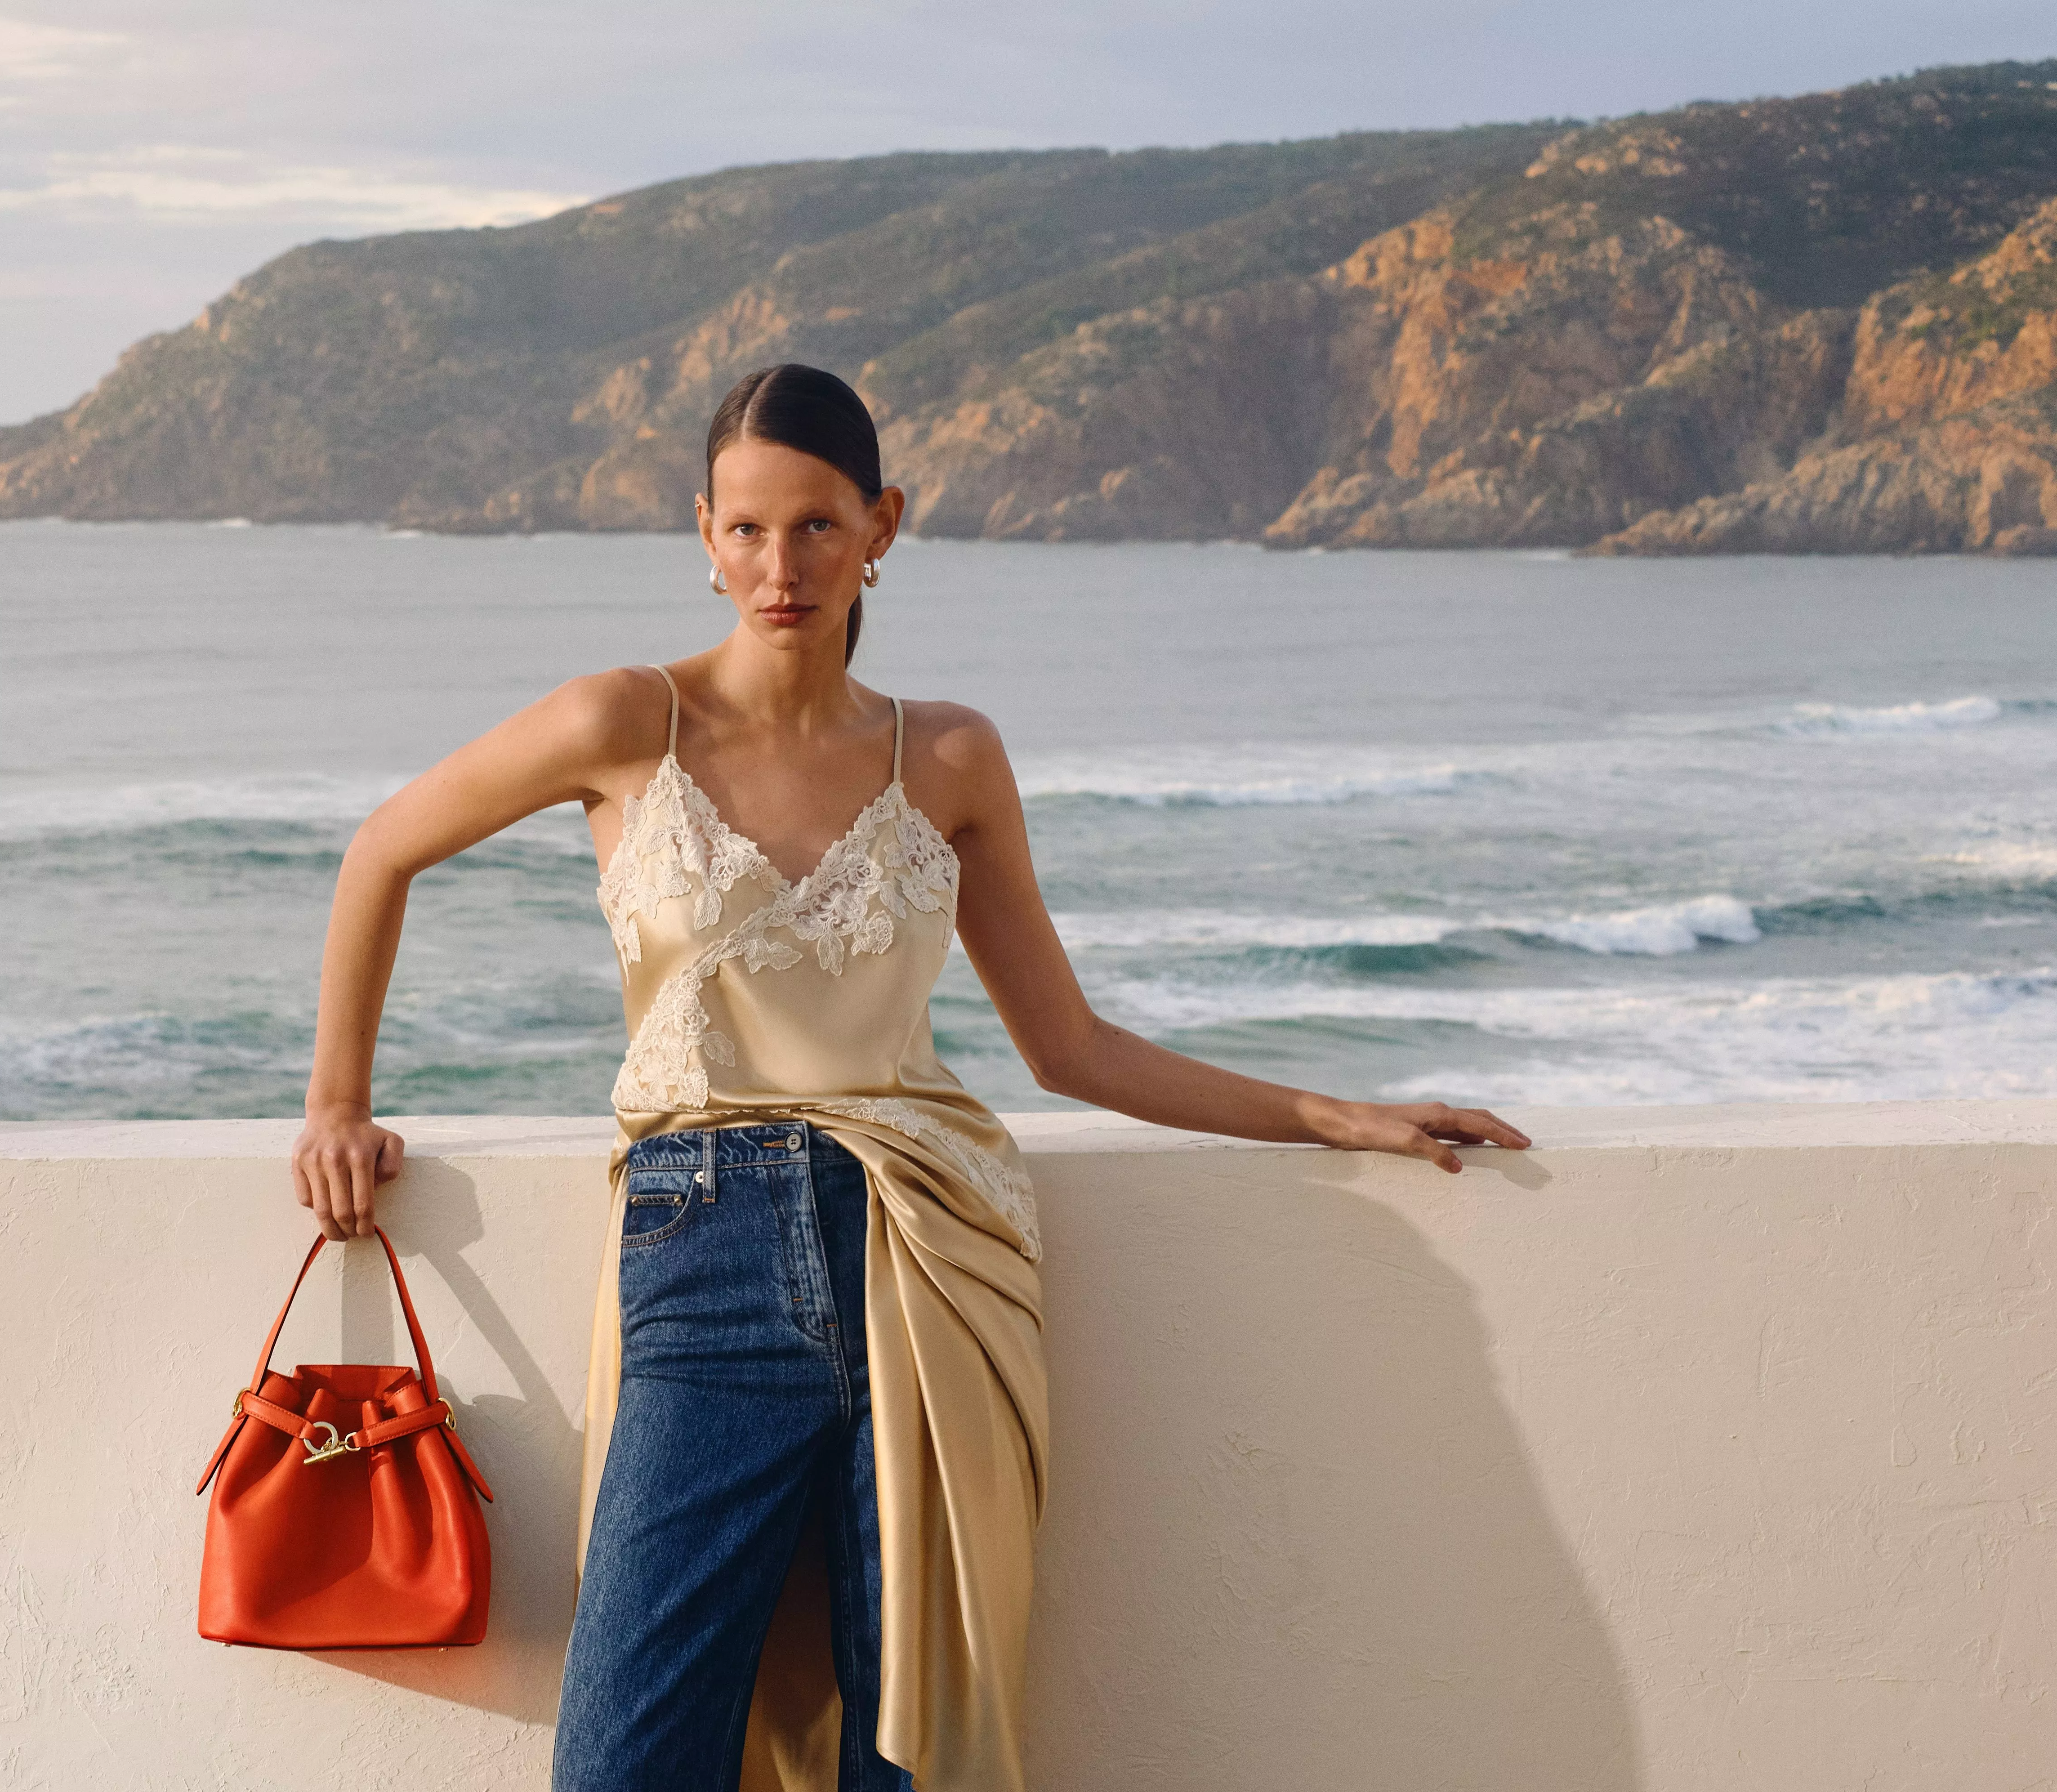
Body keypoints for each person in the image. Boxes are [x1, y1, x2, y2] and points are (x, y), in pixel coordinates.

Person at [287, 363, 1531, 1792]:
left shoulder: (946, 755)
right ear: (703, 531)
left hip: (930, 1258)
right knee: (629, 1756)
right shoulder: (626, 724)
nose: (780, 567)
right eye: (746, 530)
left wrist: (1333, 1115)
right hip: (704, 1251)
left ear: (882, 524)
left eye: (816, 526)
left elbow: (1070, 1048)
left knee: (909, 1753)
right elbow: (381, 850)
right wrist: (337, 1103)